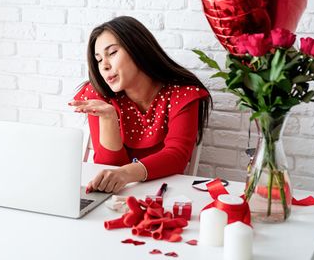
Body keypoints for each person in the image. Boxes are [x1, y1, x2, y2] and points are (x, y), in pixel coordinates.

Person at [69, 16, 211, 194]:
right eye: (98, 59)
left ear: (138, 48)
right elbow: (110, 169)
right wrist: (108, 118)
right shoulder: (99, 94)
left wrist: (126, 174)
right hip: (113, 198)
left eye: (112, 53)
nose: (104, 66)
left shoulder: (182, 94)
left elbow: (177, 156)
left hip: (164, 196)